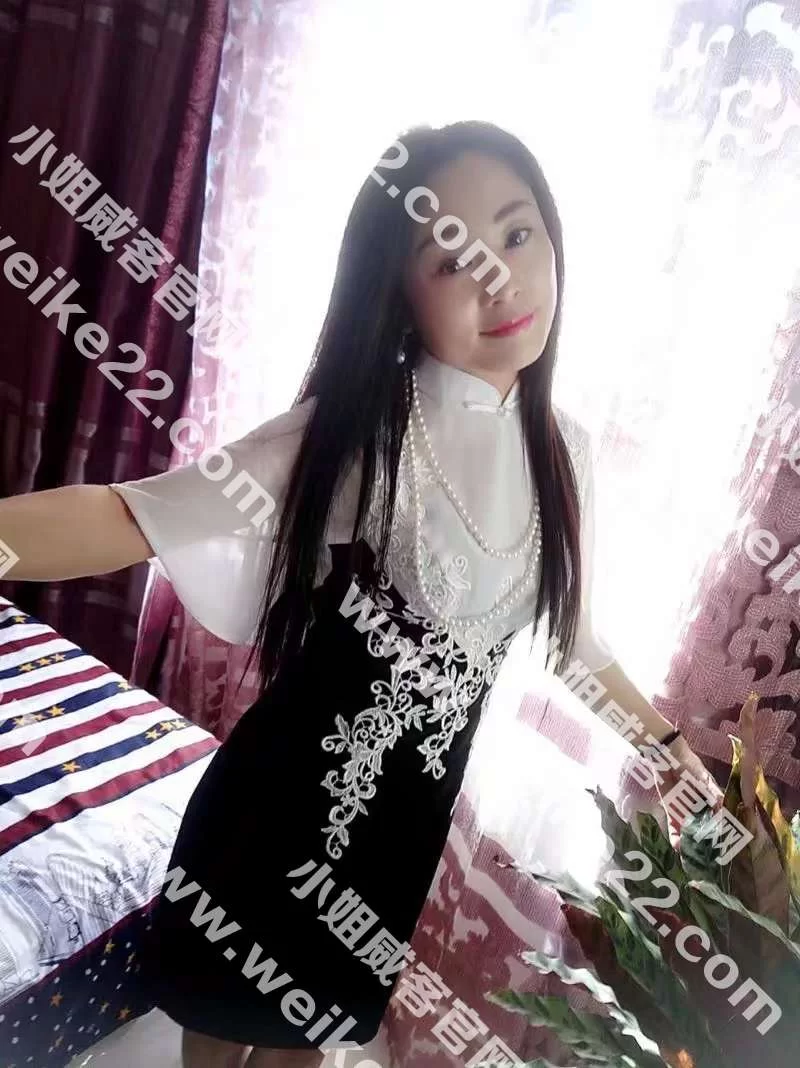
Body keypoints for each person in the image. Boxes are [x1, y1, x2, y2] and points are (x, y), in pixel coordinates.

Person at [0, 120, 719, 1068]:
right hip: (274, 819)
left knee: (310, 1044)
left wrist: (663, 744)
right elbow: (136, 515)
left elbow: (571, 634)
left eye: (517, 234)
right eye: (451, 260)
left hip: (394, 844)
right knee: (219, 1038)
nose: (499, 278)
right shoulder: (363, 433)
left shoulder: (565, 453)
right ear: (400, 292)